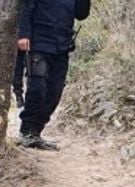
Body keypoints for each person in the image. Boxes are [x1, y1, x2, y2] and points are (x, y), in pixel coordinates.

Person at [17, 0, 91, 150]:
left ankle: (35, 133)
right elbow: (27, 7)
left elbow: (81, 14)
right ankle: (26, 132)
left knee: (55, 92)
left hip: (62, 46)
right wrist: (24, 34)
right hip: (39, 43)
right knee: (37, 88)